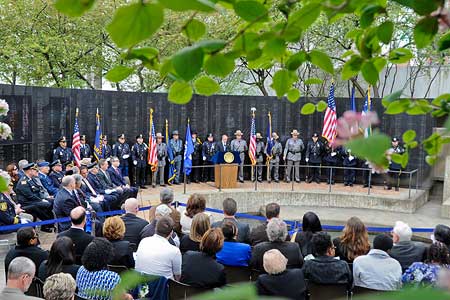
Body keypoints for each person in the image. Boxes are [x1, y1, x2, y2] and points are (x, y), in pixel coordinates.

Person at [15, 163, 54, 232]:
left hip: (34, 200)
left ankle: (48, 224)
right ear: (29, 171)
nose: (37, 172)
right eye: (35, 170)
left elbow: (38, 190)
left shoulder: (31, 179)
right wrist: (41, 200)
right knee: (46, 204)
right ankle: (47, 223)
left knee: (51, 201)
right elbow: (30, 196)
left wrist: (43, 198)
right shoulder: (23, 181)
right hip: (27, 203)